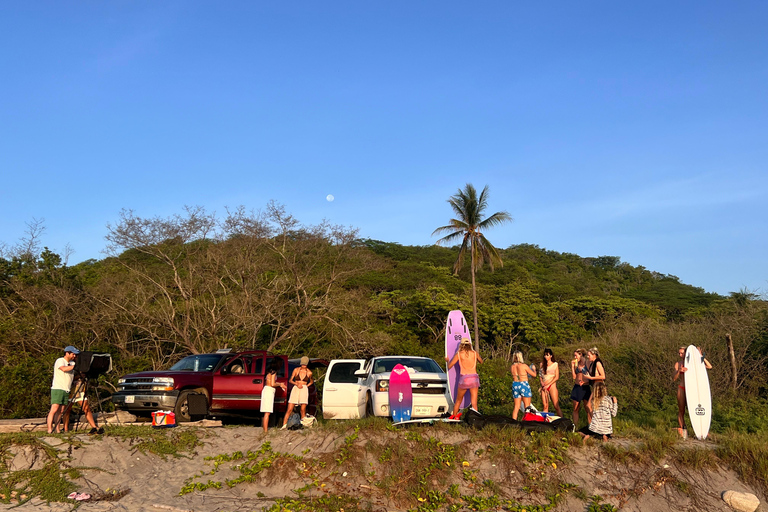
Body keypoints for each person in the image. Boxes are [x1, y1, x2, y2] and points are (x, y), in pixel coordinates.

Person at [673, 346, 712, 438]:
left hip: (694, 389)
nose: (680, 355)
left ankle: (702, 430)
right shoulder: (678, 364)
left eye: (682, 353)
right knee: (681, 410)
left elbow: (709, 366)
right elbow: (674, 378)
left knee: (698, 407)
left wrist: (700, 356)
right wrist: (679, 371)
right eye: (679, 353)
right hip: (682, 387)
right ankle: (682, 429)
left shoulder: (696, 363)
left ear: (687, 353)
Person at [446, 338, 483, 419]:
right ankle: (475, 419)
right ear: (469, 344)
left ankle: (455, 417)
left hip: (464, 378)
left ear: (461, 345)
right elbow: (481, 361)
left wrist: (447, 361)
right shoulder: (474, 353)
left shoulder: (459, 354)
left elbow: (449, 366)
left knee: (458, 400)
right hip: (474, 378)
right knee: (474, 403)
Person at [46, 346, 79, 434]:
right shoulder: (60, 360)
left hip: (66, 389)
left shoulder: (72, 363)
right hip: (58, 388)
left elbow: (70, 377)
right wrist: (75, 366)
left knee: (61, 411)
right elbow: (63, 369)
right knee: (54, 409)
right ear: (67, 353)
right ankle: (49, 429)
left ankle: (57, 429)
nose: (74, 356)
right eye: (73, 354)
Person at [281, 356, 313, 429]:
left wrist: (306, 386)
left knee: (302, 409)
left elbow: (311, 381)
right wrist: (297, 384)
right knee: (289, 409)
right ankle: (284, 425)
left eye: (304, 364)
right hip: (296, 388)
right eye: (302, 364)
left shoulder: (309, 372)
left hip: (304, 389)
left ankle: (303, 425)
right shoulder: (296, 370)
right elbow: (290, 380)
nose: (303, 366)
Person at [261, 359, 286, 433]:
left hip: (267, 390)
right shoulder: (273, 372)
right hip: (269, 390)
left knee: (266, 412)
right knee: (267, 412)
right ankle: (265, 431)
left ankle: (265, 429)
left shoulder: (268, 372)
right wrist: (280, 384)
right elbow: (272, 384)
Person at [510, 351, 537, 421]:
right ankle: (526, 422)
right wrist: (534, 369)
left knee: (516, 407)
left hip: (515, 384)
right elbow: (534, 375)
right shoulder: (524, 366)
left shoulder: (512, 367)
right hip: (523, 384)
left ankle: (513, 422)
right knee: (527, 407)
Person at [583, 347, 606, 420]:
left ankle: (595, 423)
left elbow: (603, 376)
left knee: (589, 405)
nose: (588, 357)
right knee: (592, 406)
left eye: (589, 355)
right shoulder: (592, 363)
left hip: (599, 386)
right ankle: (595, 422)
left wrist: (590, 378)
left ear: (594, 355)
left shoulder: (598, 363)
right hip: (595, 386)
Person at [570, 349, 591, 426]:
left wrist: (585, 382)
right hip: (577, 386)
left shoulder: (587, 363)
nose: (575, 357)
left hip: (585, 386)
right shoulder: (576, 364)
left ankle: (590, 426)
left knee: (588, 408)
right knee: (576, 408)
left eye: (576, 355)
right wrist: (572, 367)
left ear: (581, 354)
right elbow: (574, 377)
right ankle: (576, 426)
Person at [539, 348, 562, 417]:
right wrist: (542, 383)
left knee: (556, 405)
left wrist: (548, 384)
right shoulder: (542, 364)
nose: (546, 357)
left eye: (547, 355)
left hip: (551, 385)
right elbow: (540, 376)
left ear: (551, 356)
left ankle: (561, 420)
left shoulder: (555, 364)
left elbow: (556, 377)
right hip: (544, 385)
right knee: (545, 406)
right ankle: (545, 422)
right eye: (545, 355)